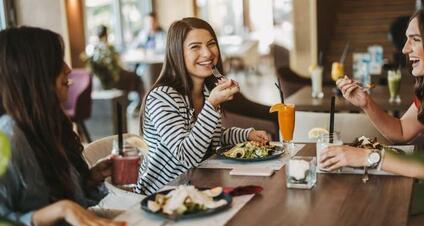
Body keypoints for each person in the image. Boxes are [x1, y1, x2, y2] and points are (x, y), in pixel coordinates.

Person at [0, 26, 123, 226]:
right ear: (32, 72)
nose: (68, 69)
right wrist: (61, 209)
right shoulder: (8, 136)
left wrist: (91, 179)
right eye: (56, 61)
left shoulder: (51, 124)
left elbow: (71, 202)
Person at [319, 2, 424, 183]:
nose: (405, 49)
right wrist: (366, 103)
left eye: (415, 39)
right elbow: (402, 131)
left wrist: (371, 157)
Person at [135, 17, 271, 195]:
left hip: (200, 185)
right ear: (177, 53)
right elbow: (186, 155)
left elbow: (210, 138)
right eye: (195, 47)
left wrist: (247, 134)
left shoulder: (207, 90)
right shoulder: (162, 97)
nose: (207, 53)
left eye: (211, 44)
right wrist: (212, 104)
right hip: (163, 194)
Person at [84, 25, 145, 114]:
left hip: (99, 82)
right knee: (136, 77)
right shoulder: (109, 48)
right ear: (107, 35)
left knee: (129, 77)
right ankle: (140, 107)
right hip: (113, 79)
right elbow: (117, 66)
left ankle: (129, 105)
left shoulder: (92, 49)